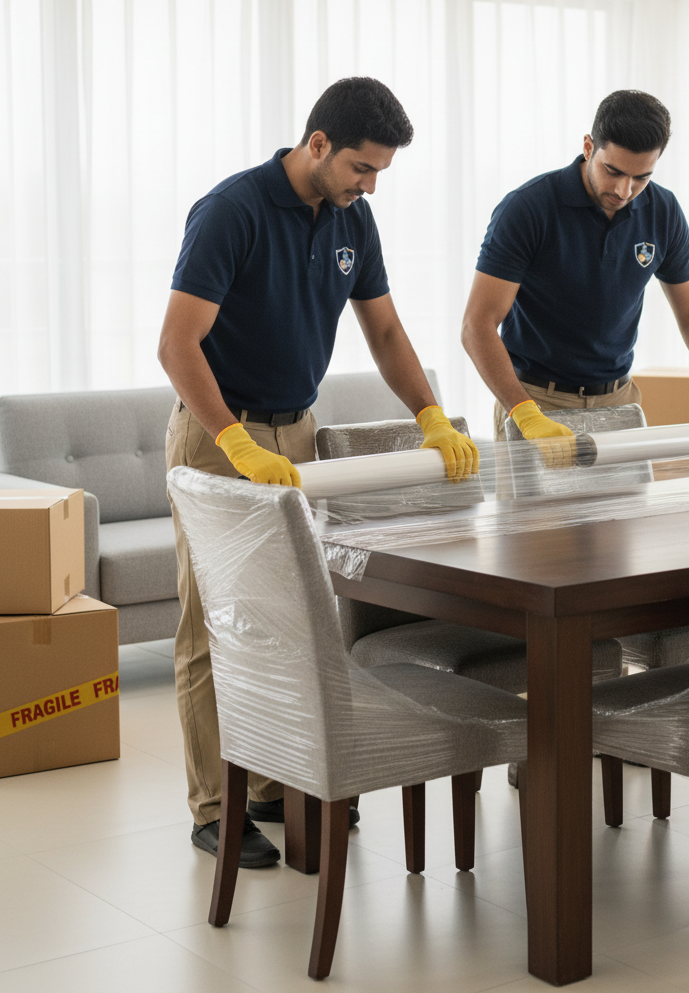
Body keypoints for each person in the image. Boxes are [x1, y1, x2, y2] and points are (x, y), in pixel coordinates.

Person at [158, 77, 478, 868]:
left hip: (297, 434)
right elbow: (177, 344)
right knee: (213, 625)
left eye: (379, 175)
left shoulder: (352, 219)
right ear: (318, 145)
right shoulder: (231, 211)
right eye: (362, 169)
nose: (369, 187)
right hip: (218, 438)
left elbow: (387, 330)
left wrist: (430, 414)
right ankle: (213, 808)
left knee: (287, 617)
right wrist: (234, 441)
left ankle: (269, 782)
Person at [461, 89, 689, 461]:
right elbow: (477, 325)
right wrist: (525, 412)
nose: (624, 190)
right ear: (589, 146)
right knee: (539, 523)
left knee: (625, 520)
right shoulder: (528, 209)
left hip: (620, 402)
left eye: (641, 177)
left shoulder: (664, 211)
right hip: (537, 402)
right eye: (614, 172)